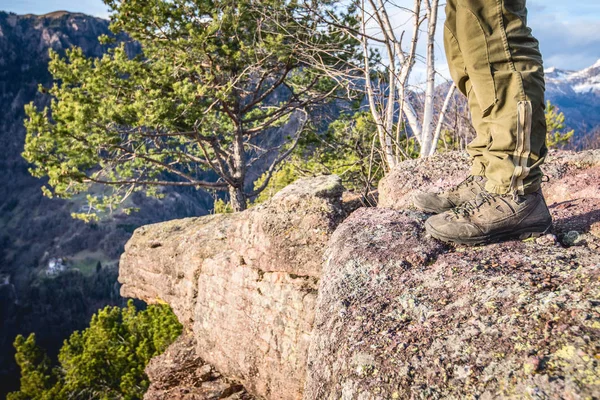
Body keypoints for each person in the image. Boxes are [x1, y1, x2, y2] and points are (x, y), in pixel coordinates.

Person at [413, 0, 552, 245]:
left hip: (518, 188)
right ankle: (488, 172)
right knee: (467, 46)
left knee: (497, 40)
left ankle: (515, 189)